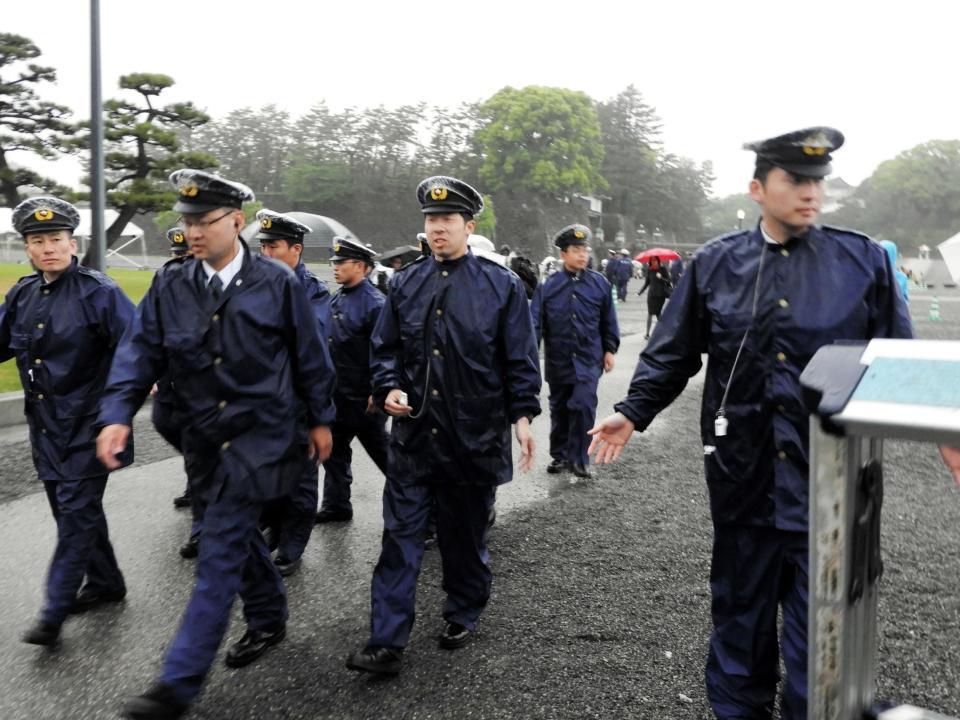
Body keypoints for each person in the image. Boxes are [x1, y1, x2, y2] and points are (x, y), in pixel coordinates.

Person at [587, 128, 914, 720]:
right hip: (745, 483)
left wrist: (948, 439)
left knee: (826, 644)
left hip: (833, 493)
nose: (811, 193)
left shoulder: (862, 260)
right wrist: (632, 412)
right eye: (796, 180)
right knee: (741, 626)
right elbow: (673, 352)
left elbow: (901, 362)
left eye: (818, 181)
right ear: (758, 189)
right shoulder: (716, 264)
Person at [96, 169, 336, 720]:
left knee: (219, 549)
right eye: (186, 221)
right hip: (202, 439)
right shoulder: (171, 283)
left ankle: (176, 684)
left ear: (236, 221)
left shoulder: (278, 284)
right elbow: (138, 353)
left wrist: (320, 421)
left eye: (204, 221)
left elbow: (310, 360)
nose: (193, 231)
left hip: (261, 438)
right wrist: (116, 415)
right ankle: (271, 615)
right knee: (233, 533)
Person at [346, 175, 541, 676]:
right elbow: (385, 347)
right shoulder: (406, 283)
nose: (437, 229)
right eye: (431, 220)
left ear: (468, 226)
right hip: (415, 438)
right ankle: (386, 640)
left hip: (473, 438)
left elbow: (520, 359)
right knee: (399, 538)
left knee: (463, 537)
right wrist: (388, 384)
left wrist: (522, 417)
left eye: (447, 220)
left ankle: (463, 608)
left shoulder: (502, 287)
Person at [0, 196, 135, 646]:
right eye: (37, 241)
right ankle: (106, 582)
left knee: (75, 515)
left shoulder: (100, 292)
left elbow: (135, 352)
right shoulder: (22, 293)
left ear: (72, 243)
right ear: (28, 248)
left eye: (56, 239)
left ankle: (53, 611)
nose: (48, 248)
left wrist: (124, 409)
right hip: (45, 425)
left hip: (90, 426)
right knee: (70, 511)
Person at [256, 208, 333, 576]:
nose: (266, 254)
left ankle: (292, 544)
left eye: (274, 246)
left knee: (301, 478)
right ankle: (272, 526)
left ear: (296, 250)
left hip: (299, 402)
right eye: (263, 246)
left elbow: (312, 348)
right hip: (260, 403)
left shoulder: (313, 293)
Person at [531, 224, 619, 479]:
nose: (582, 255)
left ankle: (579, 459)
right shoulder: (548, 286)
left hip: (588, 359)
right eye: (576, 250)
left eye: (585, 250)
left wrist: (609, 349)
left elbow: (608, 321)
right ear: (563, 254)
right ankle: (559, 454)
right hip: (558, 360)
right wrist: (530, 354)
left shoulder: (599, 284)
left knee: (582, 405)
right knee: (559, 407)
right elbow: (534, 323)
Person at [316, 235, 390, 524]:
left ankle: (425, 513)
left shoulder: (375, 304)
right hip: (338, 395)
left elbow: (385, 350)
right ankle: (337, 505)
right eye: (333, 262)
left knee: (387, 457)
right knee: (334, 454)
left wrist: (378, 389)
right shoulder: (338, 297)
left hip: (364, 399)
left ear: (360, 266)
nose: (334, 267)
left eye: (340, 262)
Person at [162, 227, 194, 513]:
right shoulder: (165, 280)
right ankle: (200, 475)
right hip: (170, 374)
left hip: (202, 378)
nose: (181, 260)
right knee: (164, 421)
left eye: (187, 255)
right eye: (177, 255)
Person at [636, 255, 673, 339]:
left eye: (655, 260)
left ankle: (664, 332)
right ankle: (647, 334)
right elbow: (647, 283)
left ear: (658, 261)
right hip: (651, 295)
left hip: (660, 295)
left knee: (658, 313)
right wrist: (640, 292)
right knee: (650, 313)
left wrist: (661, 278)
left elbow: (669, 281)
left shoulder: (663, 269)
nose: (654, 262)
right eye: (652, 260)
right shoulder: (649, 270)